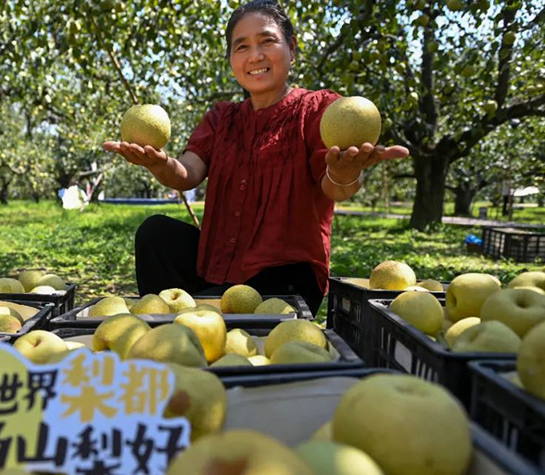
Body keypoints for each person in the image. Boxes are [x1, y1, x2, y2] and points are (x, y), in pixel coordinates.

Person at [103, 0, 409, 316]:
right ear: (231, 59)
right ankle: (169, 326)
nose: (255, 56)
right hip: (218, 268)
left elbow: (335, 187)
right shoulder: (222, 119)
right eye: (242, 47)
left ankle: (184, 326)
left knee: (203, 315)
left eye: (267, 41)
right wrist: (158, 163)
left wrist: (345, 171)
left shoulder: (319, 110)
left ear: (291, 48)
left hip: (284, 276)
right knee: (156, 233)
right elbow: (187, 172)